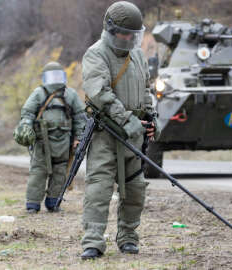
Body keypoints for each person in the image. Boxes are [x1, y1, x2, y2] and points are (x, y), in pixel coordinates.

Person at [80, 1, 160, 260]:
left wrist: (150, 119)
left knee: (135, 188)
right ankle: (92, 242)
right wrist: (126, 120)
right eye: (125, 34)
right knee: (99, 189)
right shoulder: (96, 54)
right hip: (107, 133)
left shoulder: (137, 55)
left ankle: (128, 237)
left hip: (133, 136)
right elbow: (100, 94)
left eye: (133, 34)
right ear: (111, 30)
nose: (129, 39)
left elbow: (146, 91)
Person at [13, 61, 85, 213]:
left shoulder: (70, 94)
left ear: (64, 77)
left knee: (60, 172)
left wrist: (78, 137)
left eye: (58, 75)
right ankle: (33, 204)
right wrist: (26, 126)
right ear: (45, 78)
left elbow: (80, 118)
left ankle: (53, 202)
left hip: (65, 141)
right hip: (41, 141)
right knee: (38, 172)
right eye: (52, 76)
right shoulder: (39, 93)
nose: (55, 79)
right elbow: (27, 112)